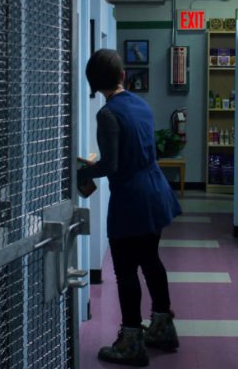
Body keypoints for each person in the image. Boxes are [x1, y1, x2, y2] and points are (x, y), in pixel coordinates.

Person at [78, 49, 182, 367]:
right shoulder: (140, 104)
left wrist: (82, 171)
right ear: (123, 75)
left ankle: (132, 341)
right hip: (156, 191)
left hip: (132, 200)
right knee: (151, 261)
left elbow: (112, 164)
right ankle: (163, 327)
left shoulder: (107, 114)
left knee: (125, 271)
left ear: (94, 84)